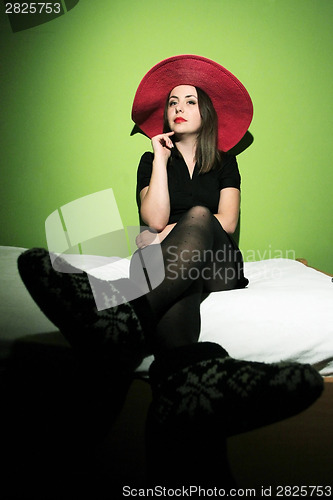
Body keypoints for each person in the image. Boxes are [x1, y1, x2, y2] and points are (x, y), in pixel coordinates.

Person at [17, 55, 323, 489]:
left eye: (190, 100)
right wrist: (159, 162)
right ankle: (183, 385)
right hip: (172, 264)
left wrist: (173, 232)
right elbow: (153, 216)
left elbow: (227, 221)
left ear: (206, 114)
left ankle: (121, 321)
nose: (179, 106)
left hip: (217, 260)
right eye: (173, 101)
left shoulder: (225, 162)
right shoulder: (150, 160)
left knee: (198, 216)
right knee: (165, 275)